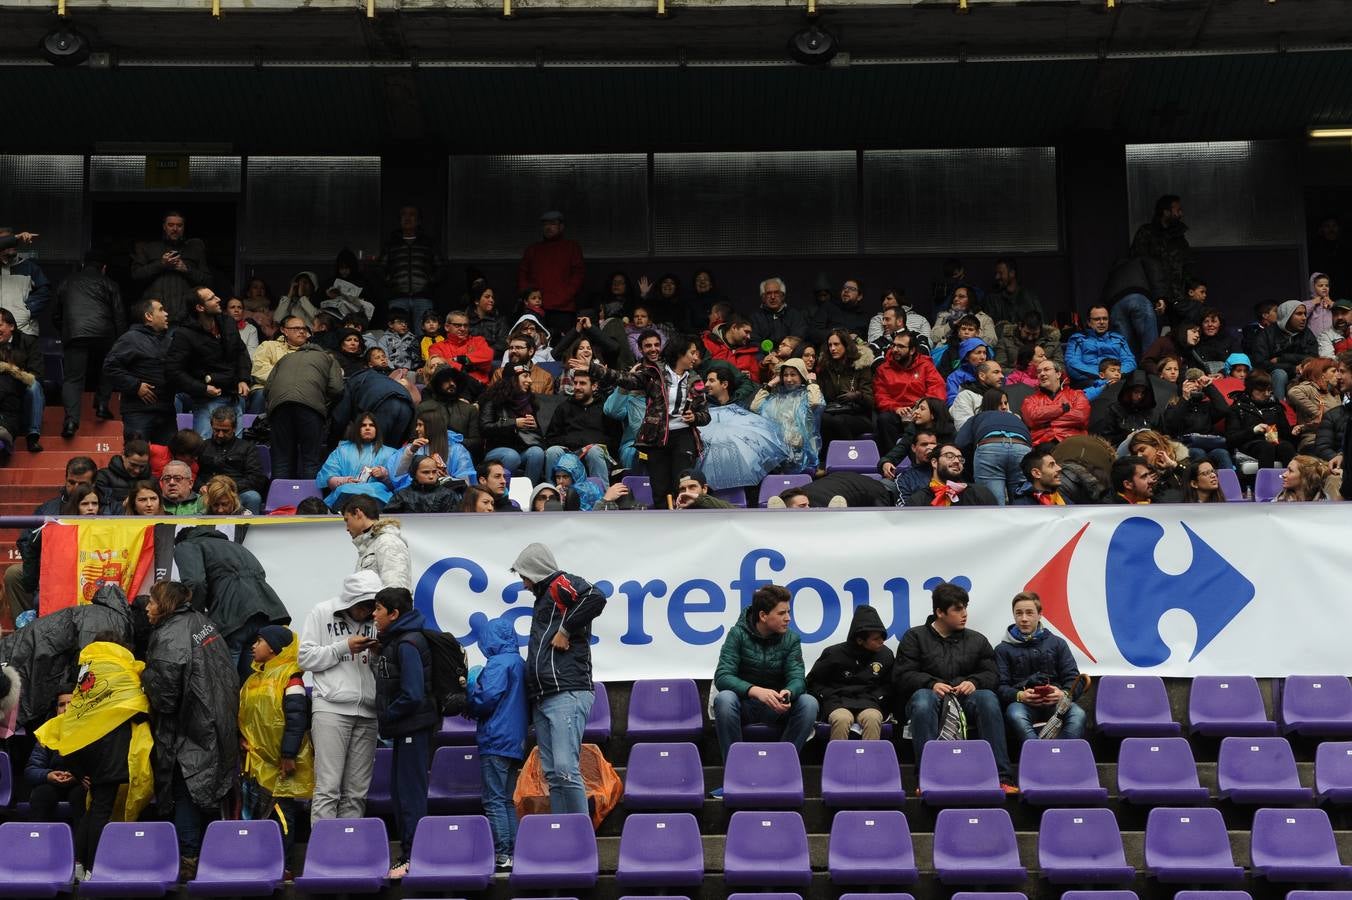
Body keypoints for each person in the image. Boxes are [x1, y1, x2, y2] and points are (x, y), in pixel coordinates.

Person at [29, 636, 153, 878]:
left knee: (94, 807)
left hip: (84, 748)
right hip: (110, 747)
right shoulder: (121, 672)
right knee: (100, 809)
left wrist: (77, 769)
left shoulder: (87, 671)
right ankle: (93, 868)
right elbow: (137, 707)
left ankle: (80, 864)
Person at [143, 580, 240, 873]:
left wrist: (145, 678)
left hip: (189, 729)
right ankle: (213, 858)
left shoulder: (169, 635)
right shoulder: (202, 622)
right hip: (216, 720)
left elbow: (166, 697)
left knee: (185, 790)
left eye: (151, 601)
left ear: (165, 604)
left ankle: (189, 859)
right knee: (207, 793)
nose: (147, 607)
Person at [511, 542, 607, 814]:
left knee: (565, 769)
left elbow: (596, 597)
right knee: (553, 773)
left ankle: (580, 838)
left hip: (567, 690)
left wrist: (565, 629)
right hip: (544, 695)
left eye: (524, 577)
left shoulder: (558, 583)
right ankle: (564, 835)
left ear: (535, 570)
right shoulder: (545, 597)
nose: (524, 585)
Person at [894, 581, 1016, 792]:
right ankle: (926, 779)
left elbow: (992, 674)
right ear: (940, 612)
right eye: (957, 609)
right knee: (923, 700)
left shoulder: (977, 640)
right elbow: (902, 675)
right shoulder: (914, 637)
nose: (964, 614)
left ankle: (1001, 778)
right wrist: (931, 683)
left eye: (965, 608)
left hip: (964, 698)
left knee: (987, 698)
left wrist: (974, 682)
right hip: (930, 698)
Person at [298, 570, 381, 822]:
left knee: (357, 793)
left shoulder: (377, 620)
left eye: (372, 605)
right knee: (328, 789)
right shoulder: (322, 612)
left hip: (368, 711)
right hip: (331, 708)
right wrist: (343, 647)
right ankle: (322, 856)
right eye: (363, 605)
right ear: (349, 601)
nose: (367, 611)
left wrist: (378, 653)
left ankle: (349, 852)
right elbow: (305, 658)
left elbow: (381, 669)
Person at [369, 587, 438, 880]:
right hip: (403, 729)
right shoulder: (396, 642)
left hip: (413, 729)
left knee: (410, 796)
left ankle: (413, 856)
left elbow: (412, 694)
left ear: (394, 614)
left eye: (378, 609)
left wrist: (386, 715)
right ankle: (409, 854)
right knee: (399, 795)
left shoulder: (409, 643)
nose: (374, 614)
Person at [711, 584, 818, 770]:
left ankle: (780, 768)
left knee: (809, 703)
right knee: (724, 699)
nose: (788, 618)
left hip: (776, 708)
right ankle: (735, 773)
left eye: (788, 612)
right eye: (782, 613)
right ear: (763, 615)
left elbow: (798, 679)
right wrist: (755, 691)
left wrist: (788, 692)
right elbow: (723, 676)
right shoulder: (737, 635)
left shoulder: (791, 639)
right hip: (744, 705)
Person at [596, 336, 710, 509]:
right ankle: (663, 525)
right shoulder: (655, 373)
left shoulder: (696, 379)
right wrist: (594, 369)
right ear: (680, 354)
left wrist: (695, 417)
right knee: (659, 488)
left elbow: (705, 415)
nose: (695, 357)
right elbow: (626, 379)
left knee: (682, 484)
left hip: (683, 436)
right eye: (692, 352)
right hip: (657, 437)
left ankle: (683, 523)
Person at [238, 626, 312, 860]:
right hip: (255, 764)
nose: (253, 646)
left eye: (258, 641)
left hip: (280, 765)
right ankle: (256, 862)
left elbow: (296, 719)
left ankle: (283, 863)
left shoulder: (292, 678)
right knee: (255, 815)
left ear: (272, 647)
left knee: (281, 817)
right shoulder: (251, 680)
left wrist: (288, 755)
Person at [466, 617, 528, 871]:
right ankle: (515, 852)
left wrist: (470, 687)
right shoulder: (520, 663)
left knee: (493, 800)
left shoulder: (497, 664)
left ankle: (503, 853)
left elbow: (485, 699)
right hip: (516, 740)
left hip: (495, 738)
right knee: (505, 800)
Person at [995, 591, 1086, 743]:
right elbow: (1000, 686)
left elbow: (1073, 678)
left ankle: (1060, 754)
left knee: (1079, 715)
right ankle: (1039, 755)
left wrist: (1063, 694)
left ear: (1039, 615)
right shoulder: (1002, 650)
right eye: (1019, 613)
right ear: (1013, 615)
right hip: (1022, 705)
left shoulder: (1058, 643)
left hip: (1056, 703)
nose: (1024, 618)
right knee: (1015, 715)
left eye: (1029, 613)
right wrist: (1019, 696)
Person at [52, 251, 124, 435]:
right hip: (105, 333)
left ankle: (70, 422)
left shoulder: (67, 281)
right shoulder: (110, 283)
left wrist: (67, 330)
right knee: (108, 368)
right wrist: (121, 341)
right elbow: (119, 315)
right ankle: (101, 405)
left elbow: (56, 315)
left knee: (73, 379)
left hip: (75, 334)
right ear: (104, 268)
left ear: (83, 265)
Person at [167, 287, 252, 439]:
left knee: (235, 453)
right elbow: (173, 371)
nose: (218, 299)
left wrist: (243, 379)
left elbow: (241, 352)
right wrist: (202, 388)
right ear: (200, 307)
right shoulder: (185, 334)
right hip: (207, 400)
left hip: (234, 396)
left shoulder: (227, 322)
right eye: (212, 298)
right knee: (204, 449)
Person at [266, 324, 345, 481]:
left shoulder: (285, 358)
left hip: (279, 408)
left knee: (281, 459)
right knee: (310, 460)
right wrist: (323, 404)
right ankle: (310, 502)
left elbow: (267, 389)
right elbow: (337, 389)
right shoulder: (328, 358)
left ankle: (279, 502)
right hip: (310, 409)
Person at [806, 605, 894, 742]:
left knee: (873, 718)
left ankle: (868, 763)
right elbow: (813, 682)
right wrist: (829, 695)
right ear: (860, 640)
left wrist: (878, 697)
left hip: (869, 701)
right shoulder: (833, 654)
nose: (881, 641)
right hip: (838, 702)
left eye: (882, 637)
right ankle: (838, 763)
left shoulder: (886, 655)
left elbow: (889, 684)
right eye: (876, 639)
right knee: (842, 719)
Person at [873, 330, 947, 453]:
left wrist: (921, 408)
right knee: (884, 419)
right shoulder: (883, 369)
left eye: (901, 346)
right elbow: (880, 395)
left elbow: (937, 389)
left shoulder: (925, 365)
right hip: (897, 412)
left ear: (912, 350)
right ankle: (891, 461)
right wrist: (896, 408)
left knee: (939, 417)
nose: (895, 349)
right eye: (894, 345)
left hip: (921, 410)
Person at [131, 211, 211, 324]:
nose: (175, 229)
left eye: (179, 225)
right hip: (156, 316)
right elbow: (136, 276)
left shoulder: (195, 250)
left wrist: (187, 270)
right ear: (164, 227)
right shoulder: (150, 248)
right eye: (171, 225)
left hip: (187, 317)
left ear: (184, 228)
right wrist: (161, 264)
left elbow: (207, 281)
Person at [954, 388, 1031, 505]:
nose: (1004, 407)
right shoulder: (1015, 418)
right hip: (1022, 449)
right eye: (999, 403)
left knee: (993, 504)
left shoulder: (978, 418)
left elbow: (960, 443)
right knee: (1022, 501)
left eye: (1006, 403)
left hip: (990, 449)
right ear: (990, 404)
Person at [543, 368, 619, 482]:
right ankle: (553, 493)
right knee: (552, 451)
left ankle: (602, 497)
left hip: (596, 455)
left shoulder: (605, 408)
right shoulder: (564, 407)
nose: (577, 387)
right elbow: (550, 438)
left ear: (594, 386)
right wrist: (576, 444)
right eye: (575, 383)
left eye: (582, 383)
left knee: (594, 451)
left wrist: (590, 445)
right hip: (570, 455)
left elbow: (615, 439)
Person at [318, 413, 406, 510]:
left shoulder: (391, 453)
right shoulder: (341, 451)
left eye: (371, 425)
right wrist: (345, 481)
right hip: (346, 497)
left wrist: (384, 475)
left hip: (378, 500)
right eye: (363, 425)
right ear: (357, 429)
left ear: (377, 429)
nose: (367, 428)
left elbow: (400, 484)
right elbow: (329, 477)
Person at [752, 357, 825, 474]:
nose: (789, 379)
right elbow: (755, 407)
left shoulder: (808, 395)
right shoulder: (777, 396)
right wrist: (769, 385)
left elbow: (816, 403)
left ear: (801, 375)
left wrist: (811, 383)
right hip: (778, 451)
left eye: (793, 374)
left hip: (801, 451)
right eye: (785, 375)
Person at [518, 212, 586, 337]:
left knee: (562, 346)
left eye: (553, 224)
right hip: (535, 309)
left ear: (561, 227)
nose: (548, 227)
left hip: (563, 310)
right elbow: (523, 274)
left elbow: (578, 275)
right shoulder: (533, 250)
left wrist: (564, 296)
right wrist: (528, 297)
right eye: (545, 224)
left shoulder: (571, 247)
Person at [479, 361, 548, 485]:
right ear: (513, 379)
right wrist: (514, 423)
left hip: (522, 449)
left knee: (537, 452)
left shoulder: (530, 401)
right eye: (525, 376)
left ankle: (528, 493)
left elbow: (537, 438)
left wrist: (535, 427)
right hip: (496, 451)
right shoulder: (492, 399)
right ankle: (504, 494)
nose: (530, 380)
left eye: (529, 376)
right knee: (512, 456)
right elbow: (485, 428)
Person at [332, 355, 418, 447]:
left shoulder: (352, 381)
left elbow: (340, 417)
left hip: (385, 404)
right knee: (392, 452)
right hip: (407, 404)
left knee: (374, 450)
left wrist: (332, 443)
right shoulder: (379, 378)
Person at [380, 206, 445, 327]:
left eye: (412, 214)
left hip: (423, 296)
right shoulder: (391, 244)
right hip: (397, 295)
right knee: (396, 335)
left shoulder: (428, 243)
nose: (407, 218)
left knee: (424, 334)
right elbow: (381, 267)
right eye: (404, 214)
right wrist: (390, 281)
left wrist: (430, 281)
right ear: (399, 219)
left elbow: (440, 266)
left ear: (418, 220)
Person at [195, 406, 266, 514]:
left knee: (253, 498)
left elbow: (255, 478)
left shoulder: (247, 447)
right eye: (216, 430)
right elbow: (193, 473)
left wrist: (229, 488)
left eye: (225, 431)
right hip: (208, 492)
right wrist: (200, 486)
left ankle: (250, 530)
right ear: (211, 426)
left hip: (237, 492)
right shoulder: (203, 446)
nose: (220, 434)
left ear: (234, 428)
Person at [1225, 370, 1296, 470]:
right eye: (1261, 390)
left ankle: (1292, 482)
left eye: (1268, 390)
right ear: (1250, 389)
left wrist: (1294, 430)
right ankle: (1266, 484)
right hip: (1249, 444)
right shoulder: (1238, 408)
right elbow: (1231, 438)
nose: (1267, 394)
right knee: (1266, 447)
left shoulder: (1275, 406)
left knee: (1286, 446)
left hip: (1273, 442)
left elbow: (1286, 434)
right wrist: (1253, 430)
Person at [1131, 194, 1190, 306]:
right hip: (1154, 296)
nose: (1180, 214)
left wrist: (1190, 287)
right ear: (1166, 212)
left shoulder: (1179, 236)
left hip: (1178, 297)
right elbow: (1138, 264)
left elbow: (1187, 263)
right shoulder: (1146, 233)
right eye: (1178, 210)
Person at [342, 494, 412, 589]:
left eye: (347, 520)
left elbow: (395, 589)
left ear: (358, 513)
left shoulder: (388, 541)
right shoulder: (370, 544)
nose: (347, 528)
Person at [1253, 300, 1318, 401]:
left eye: (1304, 314)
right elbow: (1260, 363)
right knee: (1280, 374)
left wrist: (1282, 358)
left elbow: (1313, 357)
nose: (1304, 318)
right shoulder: (1267, 334)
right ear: (1287, 315)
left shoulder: (1306, 333)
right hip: (1274, 376)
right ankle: (1280, 409)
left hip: (1302, 372)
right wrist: (1292, 368)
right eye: (1299, 314)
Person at [394, 407, 476, 486]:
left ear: (432, 427)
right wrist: (410, 452)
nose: (416, 429)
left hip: (447, 497)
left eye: (420, 425)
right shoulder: (413, 448)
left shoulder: (457, 450)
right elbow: (398, 476)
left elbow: (466, 483)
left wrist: (446, 479)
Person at [0, 308, 44, 454]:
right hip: (4, 394)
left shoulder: (29, 341)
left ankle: (32, 436)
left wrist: (10, 369)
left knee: (35, 386)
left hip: (22, 391)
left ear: (11, 326)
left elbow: (36, 375)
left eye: (0, 325)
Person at [1021, 359, 1091, 445]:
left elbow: (1080, 417)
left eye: (1046, 369)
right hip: (1042, 443)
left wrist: (1047, 422)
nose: (1041, 374)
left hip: (1073, 441)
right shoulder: (1030, 400)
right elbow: (1031, 418)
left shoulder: (1077, 394)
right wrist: (1061, 408)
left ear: (1058, 374)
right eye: (1039, 372)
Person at [1066, 304, 1137, 387]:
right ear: (1089, 322)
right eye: (1097, 319)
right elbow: (1072, 364)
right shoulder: (1077, 339)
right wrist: (1103, 376)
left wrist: (1116, 374)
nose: (1102, 322)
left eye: (1105, 319)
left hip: (1117, 379)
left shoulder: (1119, 339)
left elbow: (1130, 362)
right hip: (1089, 381)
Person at [906, 443, 999, 507]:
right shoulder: (917, 500)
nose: (957, 461)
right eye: (949, 456)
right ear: (934, 462)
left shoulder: (980, 493)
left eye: (960, 459)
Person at [0, 226, 51, 337]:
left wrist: (27, 311)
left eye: (12, 242)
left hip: (25, 332)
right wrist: (17, 237)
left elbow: (44, 293)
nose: (10, 246)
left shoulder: (29, 267)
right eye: (6, 242)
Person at [1286, 357, 1342, 452]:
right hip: (1314, 441)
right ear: (1321, 374)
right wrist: (1317, 414)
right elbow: (1293, 392)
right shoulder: (1310, 388)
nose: (1338, 375)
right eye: (1333, 371)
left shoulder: (1334, 393)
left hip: (1334, 441)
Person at [429, 310, 496, 387]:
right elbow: (440, 367)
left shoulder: (478, 340)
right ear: (447, 327)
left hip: (479, 386)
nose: (463, 329)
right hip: (452, 388)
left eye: (466, 325)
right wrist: (469, 366)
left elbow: (488, 355)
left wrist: (461, 359)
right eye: (458, 325)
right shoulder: (436, 347)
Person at [750, 277, 809, 346]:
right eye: (768, 293)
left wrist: (785, 350)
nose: (772, 297)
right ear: (763, 297)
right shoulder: (755, 318)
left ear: (782, 296)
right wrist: (770, 353)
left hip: (791, 354)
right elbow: (754, 342)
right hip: (765, 355)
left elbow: (798, 337)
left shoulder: (795, 315)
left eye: (776, 292)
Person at [987, 259, 1045, 327]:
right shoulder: (992, 299)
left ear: (1012, 273)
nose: (997, 277)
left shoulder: (1030, 297)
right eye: (996, 273)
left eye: (1000, 273)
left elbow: (1042, 325)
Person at [949, 359, 1004, 429]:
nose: (1002, 376)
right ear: (982, 376)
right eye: (996, 372)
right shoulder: (965, 396)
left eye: (1001, 372)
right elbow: (964, 427)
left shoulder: (1000, 395)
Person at [1272, 454, 1336, 502]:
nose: (1283, 475)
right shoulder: (1279, 500)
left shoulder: (1325, 501)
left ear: (1304, 477)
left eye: (1290, 471)